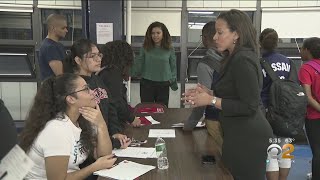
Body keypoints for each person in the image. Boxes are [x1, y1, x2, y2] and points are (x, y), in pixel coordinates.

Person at [182, 9, 273, 180]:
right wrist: (209, 94)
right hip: (236, 133)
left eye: (220, 32)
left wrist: (211, 99)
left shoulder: (242, 60)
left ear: (236, 34)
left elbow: (249, 105)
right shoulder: (232, 58)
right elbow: (235, 94)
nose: (215, 37)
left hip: (249, 137)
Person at [19, 74, 116, 179]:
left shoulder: (83, 119)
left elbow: (104, 157)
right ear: (71, 99)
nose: (93, 92)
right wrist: (94, 167)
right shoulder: (57, 129)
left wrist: (101, 124)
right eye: (86, 89)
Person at [63, 39, 131, 149]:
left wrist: (115, 132)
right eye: (92, 56)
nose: (98, 59)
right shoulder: (73, 85)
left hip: (105, 139)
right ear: (78, 60)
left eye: (99, 55)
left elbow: (111, 106)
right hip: (88, 147)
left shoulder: (97, 79)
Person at [259, 28, 293, 180]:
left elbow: (257, 88)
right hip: (287, 111)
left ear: (260, 43)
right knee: (286, 149)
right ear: (276, 42)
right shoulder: (288, 62)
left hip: (268, 111)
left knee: (271, 152)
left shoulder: (260, 63)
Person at [183, 21, 223, 150]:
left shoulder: (205, 64)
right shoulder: (231, 59)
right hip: (232, 119)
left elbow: (202, 99)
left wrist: (189, 125)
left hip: (215, 119)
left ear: (206, 38)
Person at [131, 21, 177, 107]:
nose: (155, 35)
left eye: (158, 33)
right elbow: (139, 63)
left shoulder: (170, 49)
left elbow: (173, 66)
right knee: (146, 110)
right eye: (153, 33)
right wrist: (129, 73)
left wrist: (172, 81)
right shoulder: (145, 48)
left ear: (164, 34)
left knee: (162, 111)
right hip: (147, 84)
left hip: (163, 84)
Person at [99, 40, 141, 128]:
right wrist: (131, 118)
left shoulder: (108, 71)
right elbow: (117, 101)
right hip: (112, 124)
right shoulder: (112, 74)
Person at [298, 37, 320, 180]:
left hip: (314, 117)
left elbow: (308, 97)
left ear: (307, 51)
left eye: (302, 48)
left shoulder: (306, 68)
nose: (300, 51)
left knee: (317, 152)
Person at [39, 14, 67, 81]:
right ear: (53, 28)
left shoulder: (58, 45)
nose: (66, 30)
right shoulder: (50, 47)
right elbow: (60, 75)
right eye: (63, 28)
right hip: (54, 88)